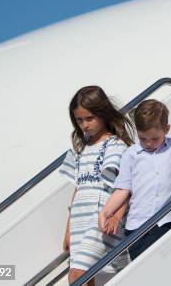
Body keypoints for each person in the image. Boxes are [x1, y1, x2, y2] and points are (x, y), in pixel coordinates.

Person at [59, 86, 134, 285]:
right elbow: (78, 188)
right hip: (79, 219)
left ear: (103, 114)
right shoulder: (81, 149)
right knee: (84, 277)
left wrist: (117, 216)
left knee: (77, 276)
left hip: (101, 216)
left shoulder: (115, 145)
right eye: (79, 120)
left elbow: (125, 186)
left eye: (89, 118)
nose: (84, 125)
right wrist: (68, 229)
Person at [99, 100, 171, 261]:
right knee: (144, 271)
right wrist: (106, 211)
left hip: (168, 222)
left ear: (166, 129)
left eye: (154, 138)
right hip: (136, 228)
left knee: (170, 265)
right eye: (142, 138)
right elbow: (123, 189)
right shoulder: (131, 155)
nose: (148, 143)